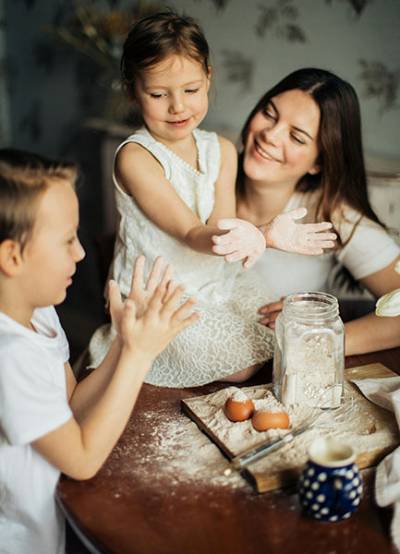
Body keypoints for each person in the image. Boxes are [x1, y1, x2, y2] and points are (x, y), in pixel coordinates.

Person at [88, 13, 336, 387]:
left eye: (191, 90)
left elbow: (221, 229)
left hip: (213, 280)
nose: (178, 107)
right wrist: (263, 234)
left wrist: (253, 235)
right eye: (158, 94)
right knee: (236, 365)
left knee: (275, 335)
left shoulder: (221, 149)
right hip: (159, 292)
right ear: (132, 91)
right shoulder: (136, 157)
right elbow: (191, 231)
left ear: (208, 76)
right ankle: (126, 347)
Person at [0, 148, 197, 554]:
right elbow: (82, 459)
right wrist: (142, 355)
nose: (81, 253)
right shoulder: (9, 355)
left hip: (49, 523)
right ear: (12, 256)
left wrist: (126, 344)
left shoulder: (38, 312)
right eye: (68, 240)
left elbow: (69, 404)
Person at [230, 67, 400, 354]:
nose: (270, 135)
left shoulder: (332, 215)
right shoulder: (206, 172)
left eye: (296, 137)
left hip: (273, 377)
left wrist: (316, 334)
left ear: (318, 162)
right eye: (270, 113)